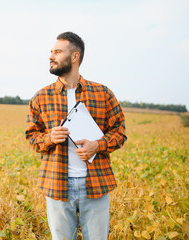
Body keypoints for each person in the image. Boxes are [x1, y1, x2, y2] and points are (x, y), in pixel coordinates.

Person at [25, 31, 127, 240]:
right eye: (50, 52)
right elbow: (31, 136)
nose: (51, 56)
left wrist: (97, 146)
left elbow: (120, 132)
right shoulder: (41, 97)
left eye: (57, 52)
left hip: (96, 183)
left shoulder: (103, 93)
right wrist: (48, 138)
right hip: (57, 183)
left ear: (74, 57)